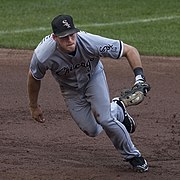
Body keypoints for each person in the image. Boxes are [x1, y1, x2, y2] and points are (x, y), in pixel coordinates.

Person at [27, 14, 150, 172]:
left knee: (105, 119)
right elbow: (34, 76)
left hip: (94, 79)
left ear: (76, 32)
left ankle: (133, 156)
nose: (70, 40)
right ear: (55, 37)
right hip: (70, 90)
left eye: (72, 35)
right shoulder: (42, 55)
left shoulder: (90, 41)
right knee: (92, 130)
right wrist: (33, 106)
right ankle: (118, 108)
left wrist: (139, 79)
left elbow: (129, 50)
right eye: (64, 37)